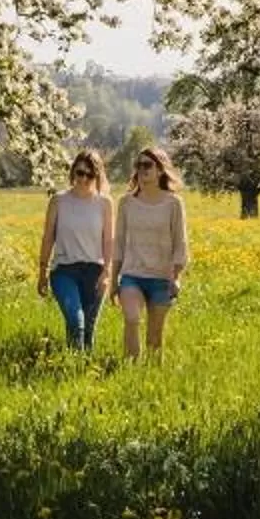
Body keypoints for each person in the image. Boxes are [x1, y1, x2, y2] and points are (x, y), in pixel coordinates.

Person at [109, 143, 191, 363]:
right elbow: (118, 244)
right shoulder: (126, 202)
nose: (142, 170)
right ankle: (130, 369)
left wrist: (176, 277)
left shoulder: (174, 203)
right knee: (132, 318)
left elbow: (180, 243)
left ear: (160, 170)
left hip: (161, 278)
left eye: (147, 165)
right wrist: (113, 280)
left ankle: (151, 376)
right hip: (132, 274)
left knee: (155, 338)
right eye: (138, 165)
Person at [37, 149, 115, 355]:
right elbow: (48, 238)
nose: (83, 179)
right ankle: (72, 366)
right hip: (64, 271)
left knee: (88, 331)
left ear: (97, 176)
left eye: (90, 175)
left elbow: (108, 240)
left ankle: (81, 372)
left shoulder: (105, 203)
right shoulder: (58, 201)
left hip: (94, 272)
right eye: (80, 173)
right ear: (73, 172)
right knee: (75, 319)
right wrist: (42, 272)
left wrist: (107, 273)